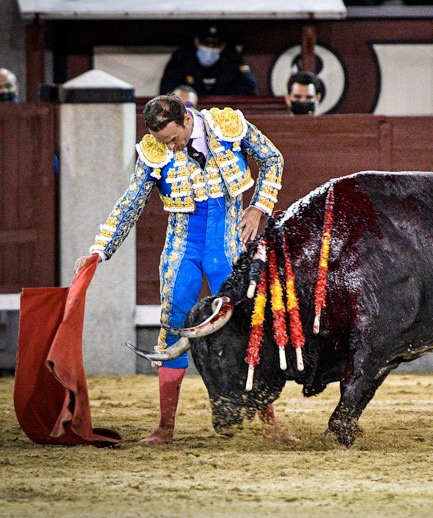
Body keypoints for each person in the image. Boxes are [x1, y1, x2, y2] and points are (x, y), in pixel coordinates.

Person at [73, 94, 285, 444]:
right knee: (173, 327)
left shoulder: (229, 126)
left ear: (187, 120)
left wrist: (259, 208)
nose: (169, 147)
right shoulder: (153, 152)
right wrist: (100, 250)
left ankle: (270, 423)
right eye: (162, 142)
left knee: (248, 329)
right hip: (183, 249)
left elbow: (273, 159)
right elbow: (130, 203)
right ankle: (165, 428)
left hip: (228, 246)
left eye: (172, 139)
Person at [159, 24, 258, 97]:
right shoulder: (182, 59)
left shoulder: (233, 60)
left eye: (215, 45)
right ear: (196, 41)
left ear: (223, 46)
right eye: (205, 44)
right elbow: (166, 91)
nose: (210, 49)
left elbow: (250, 91)